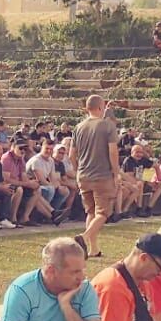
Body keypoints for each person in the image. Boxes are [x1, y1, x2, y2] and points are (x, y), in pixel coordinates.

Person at [72, 94, 119, 258]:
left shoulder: (78, 127)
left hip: (83, 175)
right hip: (102, 175)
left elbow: (72, 155)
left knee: (91, 212)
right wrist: (116, 173)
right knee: (102, 213)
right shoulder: (107, 126)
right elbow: (113, 151)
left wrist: (78, 170)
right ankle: (84, 238)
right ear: (101, 107)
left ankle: (93, 249)